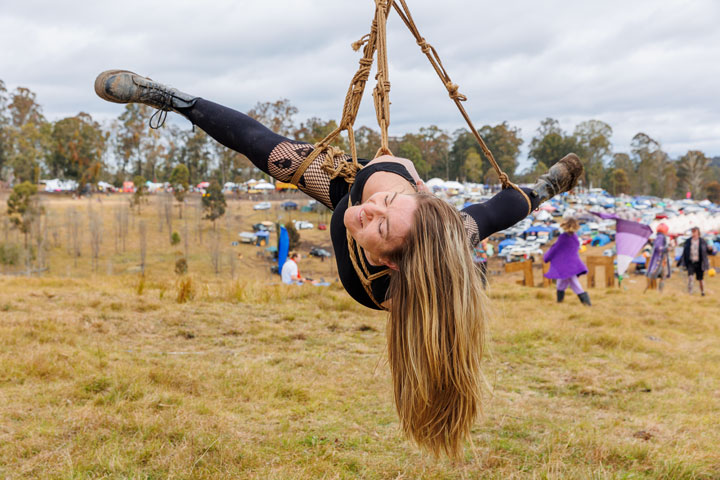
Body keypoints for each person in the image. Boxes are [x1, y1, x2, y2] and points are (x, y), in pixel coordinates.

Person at [94, 70, 583, 456]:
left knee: (475, 237)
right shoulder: (428, 215)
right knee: (494, 213)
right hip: (415, 217)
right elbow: (250, 136)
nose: (371, 209)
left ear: (388, 260)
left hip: (405, 260)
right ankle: (174, 98)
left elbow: (255, 144)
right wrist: (396, 199)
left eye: (381, 225)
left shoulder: (383, 279)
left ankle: (536, 197)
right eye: (387, 205)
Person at [543, 218, 591, 306]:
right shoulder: (575, 238)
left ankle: (587, 304)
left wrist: (546, 257)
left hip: (566, 265)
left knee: (574, 283)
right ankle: (559, 303)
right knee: (561, 282)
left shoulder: (563, 237)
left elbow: (554, 249)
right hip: (572, 264)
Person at [679, 227, 714, 296]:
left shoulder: (702, 241)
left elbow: (708, 251)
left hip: (700, 262)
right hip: (691, 262)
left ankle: (702, 292)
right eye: (692, 232)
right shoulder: (688, 241)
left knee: (700, 279)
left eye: (695, 232)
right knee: (690, 277)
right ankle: (690, 293)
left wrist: (710, 249)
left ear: (698, 233)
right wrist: (682, 261)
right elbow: (684, 252)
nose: (693, 233)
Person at [644, 223, 671, 292]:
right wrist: (665, 249)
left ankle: (659, 291)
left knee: (662, 275)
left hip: (661, 259)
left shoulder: (661, 237)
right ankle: (658, 291)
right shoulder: (660, 237)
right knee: (657, 274)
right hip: (659, 259)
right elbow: (658, 247)